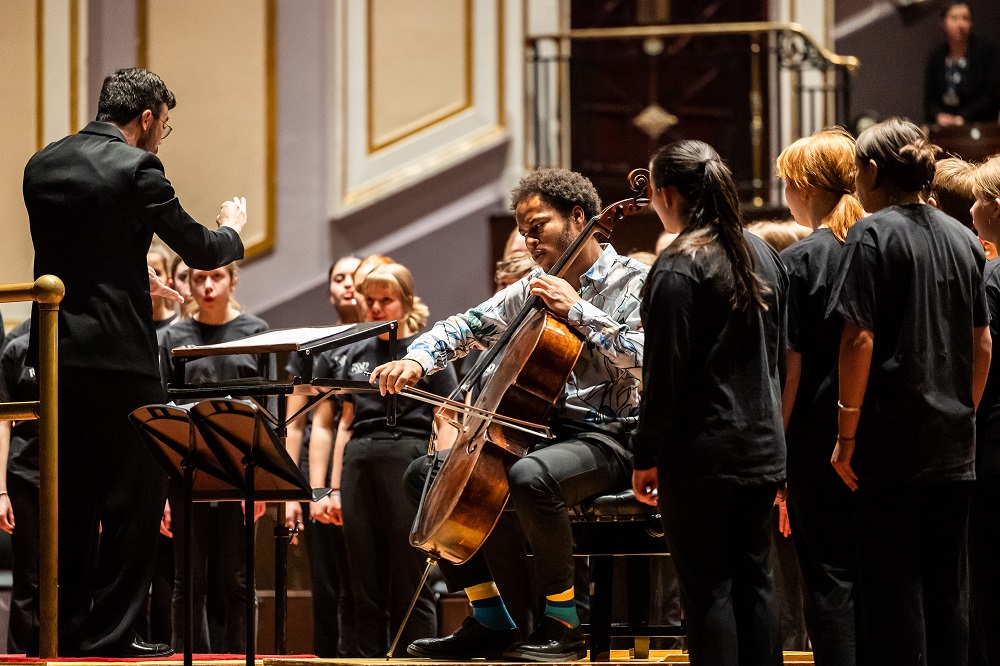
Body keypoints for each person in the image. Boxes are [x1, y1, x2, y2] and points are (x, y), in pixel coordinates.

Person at [373, 168, 647, 662]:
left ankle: (563, 623)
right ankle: (492, 619)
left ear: (578, 218)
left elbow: (650, 357)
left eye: (538, 224)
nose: (528, 238)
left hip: (615, 435)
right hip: (547, 433)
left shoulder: (635, 281)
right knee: (425, 475)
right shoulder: (535, 286)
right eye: (523, 229)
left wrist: (580, 311)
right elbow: (465, 324)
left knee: (528, 476)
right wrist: (418, 358)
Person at [21, 68, 245, 657]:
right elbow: (199, 249)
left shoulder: (42, 164)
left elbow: (83, 250)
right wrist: (233, 228)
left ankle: (64, 632)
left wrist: (126, 265)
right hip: (122, 358)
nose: (160, 136)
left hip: (57, 354)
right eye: (163, 125)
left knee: (68, 503)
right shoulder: (138, 167)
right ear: (145, 117)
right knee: (133, 503)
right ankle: (114, 636)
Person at [829, 118, 991, 665]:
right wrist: (961, 410)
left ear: (873, 172)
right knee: (947, 587)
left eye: (856, 173)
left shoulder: (870, 234)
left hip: (890, 439)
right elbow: (983, 343)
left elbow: (859, 338)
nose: (854, 183)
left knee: (891, 588)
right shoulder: (965, 238)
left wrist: (846, 434)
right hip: (953, 443)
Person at [630, 141, 787, 666]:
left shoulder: (677, 265)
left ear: (667, 193)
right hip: (762, 447)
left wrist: (645, 453)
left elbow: (664, 375)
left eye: (652, 192)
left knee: (707, 591)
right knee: (755, 584)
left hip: (702, 455)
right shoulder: (760, 250)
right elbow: (779, 358)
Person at [310, 263, 458, 657]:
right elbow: (342, 422)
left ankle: (415, 658)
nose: (375, 308)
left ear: (406, 302)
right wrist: (329, 488)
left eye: (386, 300)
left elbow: (447, 417)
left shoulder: (429, 352)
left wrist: (440, 474)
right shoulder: (351, 353)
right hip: (359, 458)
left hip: (409, 457)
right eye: (369, 300)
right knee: (362, 577)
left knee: (411, 576)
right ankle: (366, 659)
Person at [775, 127, 865, 665]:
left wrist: (777, 451)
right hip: (878, 432)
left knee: (828, 580)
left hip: (814, 437)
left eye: (787, 182)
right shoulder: (878, 243)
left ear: (806, 187)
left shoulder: (803, 259)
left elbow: (792, 367)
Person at [157, 262, 268, 653]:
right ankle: (191, 660)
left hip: (240, 470)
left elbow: (266, 415)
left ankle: (242, 661)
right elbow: (165, 414)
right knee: (189, 580)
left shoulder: (256, 332)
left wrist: (257, 482)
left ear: (233, 281)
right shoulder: (173, 336)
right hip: (189, 468)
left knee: (238, 580)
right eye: (197, 277)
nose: (206, 286)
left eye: (216, 277)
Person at [283, 255, 363, 657]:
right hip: (313, 474)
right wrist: (290, 494)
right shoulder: (311, 345)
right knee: (326, 582)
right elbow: (295, 424)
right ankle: (327, 658)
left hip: (359, 468)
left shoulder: (385, 341)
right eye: (338, 278)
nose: (347, 284)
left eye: (354, 276)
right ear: (330, 289)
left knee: (361, 578)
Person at [969, 155, 1000, 666]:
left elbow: (981, 353)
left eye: (976, 198)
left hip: (994, 440)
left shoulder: (991, 277)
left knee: (990, 583)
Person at [0, 329, 40, 655]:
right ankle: (20, 659)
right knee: (27, 578)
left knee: (74, 576)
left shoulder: (78, 348)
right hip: (24, 474)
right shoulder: (16, 348)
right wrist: (1, 491)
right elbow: (2, 424)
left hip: (73, 478)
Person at [924, 2, 1000, 127]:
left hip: (979, 127)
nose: (961, 24)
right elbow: (930, 100)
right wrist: (938, 115)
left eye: (965, 18)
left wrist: (963, 118)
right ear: (942, 22)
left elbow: (993, 95)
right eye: (954, 18)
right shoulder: (936, 58)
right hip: (944, 129)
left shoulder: (987, 53)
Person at [147, 244, 177, 329]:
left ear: (168, 280)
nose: (151, 281)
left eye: (156, 273)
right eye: (143, 274)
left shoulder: (179, 322)